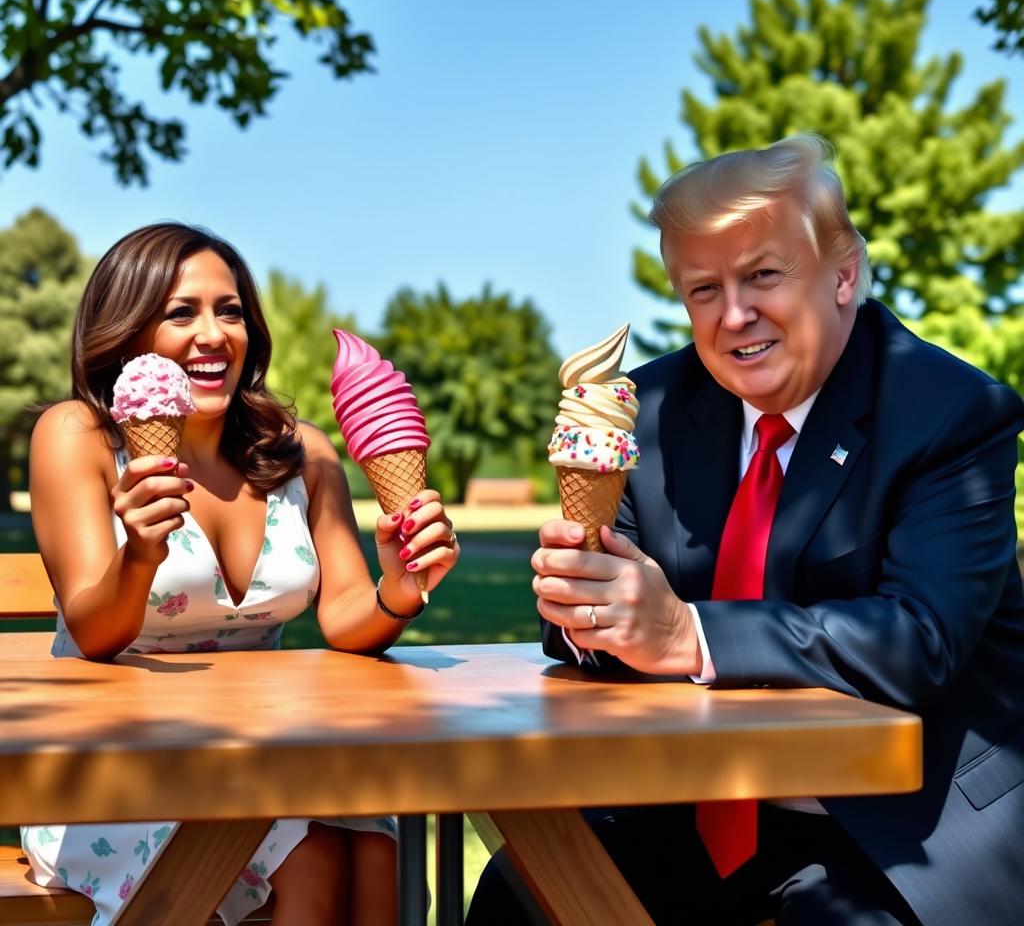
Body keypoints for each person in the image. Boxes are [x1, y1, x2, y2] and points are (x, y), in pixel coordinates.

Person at [467, 135, 1024, 925]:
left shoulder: (948, 410)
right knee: (519, 898)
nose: (734, 315)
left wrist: (689, 633)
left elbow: (920, 640)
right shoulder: (642, 410)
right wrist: (585, 606)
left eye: (763, 274)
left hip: (899, 833)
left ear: (843, 274)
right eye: (703, 290)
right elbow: (592, 630)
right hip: (683, 803)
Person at [22, 223, 459, 926]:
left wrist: (400, 588)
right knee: (313, 853)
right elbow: (94, 631)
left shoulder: (303, 453)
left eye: (230, 311)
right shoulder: (79, 438)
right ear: (127, 332)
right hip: (112, 775)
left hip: (266, 763)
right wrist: (139, 552)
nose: (214, 334)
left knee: (381, 850)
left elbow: (348, 613)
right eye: (180, 313)